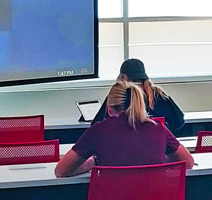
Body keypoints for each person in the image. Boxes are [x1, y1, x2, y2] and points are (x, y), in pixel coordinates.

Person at [55, 80, 195, 177]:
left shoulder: (98, 131)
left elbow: (61, 171)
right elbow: (188, 162)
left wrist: (93, 162)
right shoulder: (158, 128)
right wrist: (156, 160)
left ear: (109, 109)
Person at [90, 58, 185, 134]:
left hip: (121, 148)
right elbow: (178, 122)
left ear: (123, 77)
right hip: (158, 149)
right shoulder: (160, 95)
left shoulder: (119, 95)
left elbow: (96, 126)